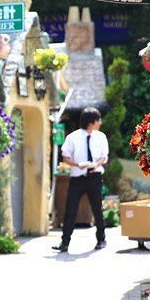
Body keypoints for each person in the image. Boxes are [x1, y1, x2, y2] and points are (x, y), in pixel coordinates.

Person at [52, 107, 108, 253]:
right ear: (90, 122)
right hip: (77, 178)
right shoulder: (72, 137)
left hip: (95, 177)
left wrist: (96, 164)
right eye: (98, 120)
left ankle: (101, 239)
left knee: (97, 208)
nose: (100, 122)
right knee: (70, 209)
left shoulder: (101, 137)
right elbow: (65, 157)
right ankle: (64, 242)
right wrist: (78, 165)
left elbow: (104, 156)